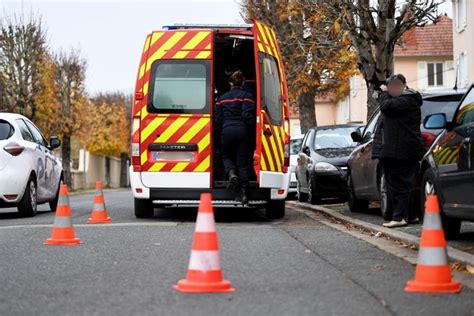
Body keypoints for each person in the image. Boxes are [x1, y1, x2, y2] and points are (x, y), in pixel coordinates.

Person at [372, 74, 424, 228]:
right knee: (399, 184)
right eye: (390, 87)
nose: (392, 90)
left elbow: (386, 106)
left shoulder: (408, 100)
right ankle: (411, 215)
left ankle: (399, 217)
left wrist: (383, 93)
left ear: (404, 86)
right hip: (394, 151)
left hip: (403, 150)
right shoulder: (399, 101)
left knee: (399, 184)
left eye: (395, 87)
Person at [215, 70, 256, 204]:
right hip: (242, 131)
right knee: (242, 163)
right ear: (242, 82)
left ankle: (231, 173)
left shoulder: (222, 98)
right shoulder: (247, 96)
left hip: (227, 131)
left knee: (226, 156)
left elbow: (218, 119)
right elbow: (247, 116)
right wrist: (251, 130)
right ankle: (244, 194)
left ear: (230, 83)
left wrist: (221, 132)